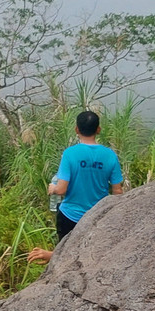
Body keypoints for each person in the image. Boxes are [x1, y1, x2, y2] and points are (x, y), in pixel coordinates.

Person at [28, 110, 123, 263]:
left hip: (70, 216)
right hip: (97, 215)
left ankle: (52, 256)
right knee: (92, 254)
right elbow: (118, 191)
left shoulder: (70, 154)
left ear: (76, 129)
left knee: (66, 252)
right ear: (98, 130)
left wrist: (52, 188)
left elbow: (61, 189)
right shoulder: (110, 155)